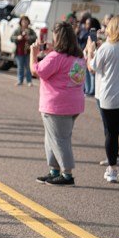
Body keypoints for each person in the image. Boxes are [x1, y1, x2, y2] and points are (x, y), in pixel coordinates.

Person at [87, 15, 119, 187]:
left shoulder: (107, 48)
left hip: (110, 97)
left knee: (111, 134)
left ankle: (111, 169)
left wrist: (89, 51)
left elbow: (93, 68)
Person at [31, 22, 86, 186]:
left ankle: (67, 174)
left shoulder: (56, 57)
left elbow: (37, 70)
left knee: (59, 139)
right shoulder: (78, 56)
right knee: (52, 138)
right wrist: (49, 53)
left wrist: (33, 54)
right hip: (73, 103)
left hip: (56, 105)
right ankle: (54, 171)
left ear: (58, 38)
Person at [11, 16, 37, 86]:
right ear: (21, 22)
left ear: (28, 22)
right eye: (23, 21)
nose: (25, 23)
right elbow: (11, 38)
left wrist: (29, 38)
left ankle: (29, 81)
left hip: (28, 51)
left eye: (26, 21)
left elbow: (35, 37)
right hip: (19, 51)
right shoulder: (18, 30)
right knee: (20, 67)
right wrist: (17, 38)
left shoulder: (30, 31)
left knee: (28, 67)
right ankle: (20, 81)